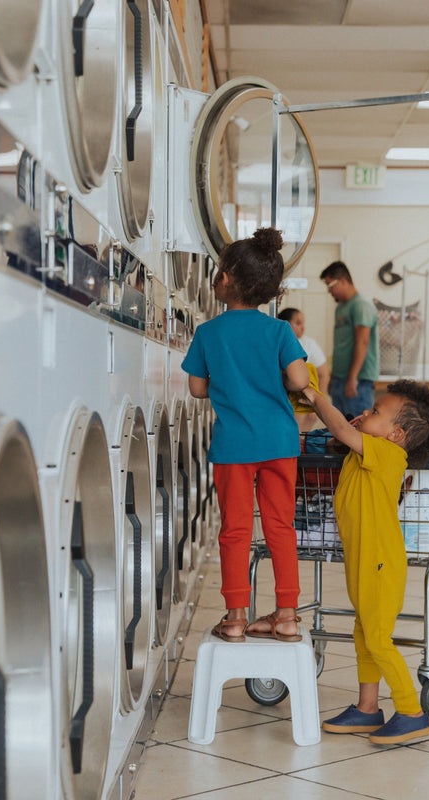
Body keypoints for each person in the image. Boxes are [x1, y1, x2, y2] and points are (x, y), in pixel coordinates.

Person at [301, 379, 429, 744]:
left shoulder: (387, 455)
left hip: (381, 564)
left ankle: (412, 712)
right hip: (364, 562)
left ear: (396, 434)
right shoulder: (363, 452)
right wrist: (351, 426)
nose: (365, 413)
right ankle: (368, 709)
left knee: (378, 639)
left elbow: (337, 426)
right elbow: (340, 435)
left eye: (375, 412)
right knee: (364, 634)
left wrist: (314, 396)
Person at [182, 228, 310, 643]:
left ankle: (236, 615)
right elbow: (298, 379)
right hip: (279, 442)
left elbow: (198, 389)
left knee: (235, 530)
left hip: (234, 446)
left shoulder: (207, 333)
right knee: (281, 527)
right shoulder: (278, 331)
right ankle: (287, 614)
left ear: (226, 279)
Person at [320, 261, 379, 419]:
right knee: (338, 429)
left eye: (330, 285)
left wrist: (353, 378)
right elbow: (341, 345)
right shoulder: (341, 308)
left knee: (357, 430)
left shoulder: (361, 306)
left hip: (357, 381)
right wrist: (333, 376)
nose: (329, 291)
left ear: (343, 281)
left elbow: (363, 342)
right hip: (340, 378)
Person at [277, 307, 330, 432]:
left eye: (303, 323)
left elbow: (323, 374)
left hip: (302, 403)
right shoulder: (276, 343)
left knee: (299, 439)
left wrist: (318, 404)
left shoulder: (309, 344)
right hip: (279, 402)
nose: (303, 327)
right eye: (298, 323)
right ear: (285, 323)